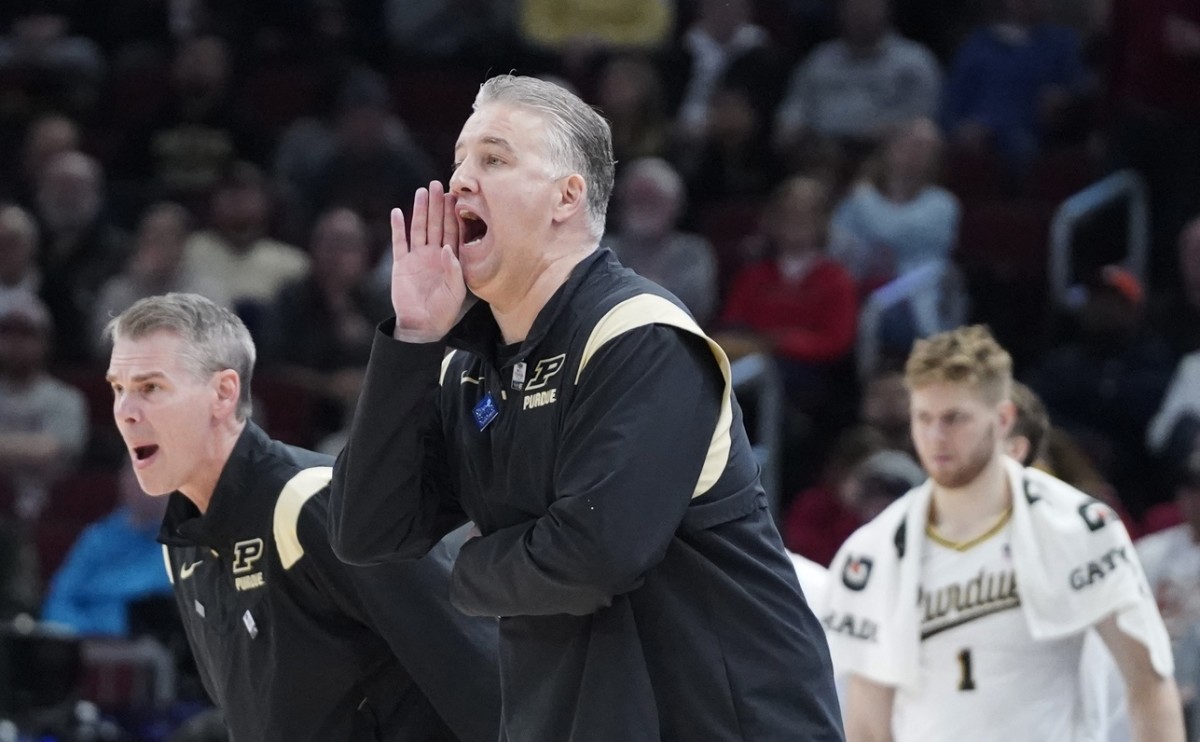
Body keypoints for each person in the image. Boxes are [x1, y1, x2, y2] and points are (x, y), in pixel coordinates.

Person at [328, 74, 843, 741]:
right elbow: (368, 532)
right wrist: (414, 337)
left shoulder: (642, 333)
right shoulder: (468, 368)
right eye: (458, 159)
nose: (459, 181)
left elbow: (597, 555)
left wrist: (468, 568)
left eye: (493, 158)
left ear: (566, 198)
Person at [103, 292, 501, 742]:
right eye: (118, 387)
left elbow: (474, 662)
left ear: (223, 392)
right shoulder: (185, 544)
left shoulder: (311, 500)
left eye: (150, 387)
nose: (125, 412)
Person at [824, 324, 1182, 741]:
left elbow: (1148, 684)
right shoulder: (871, 554)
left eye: (954, 419)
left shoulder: (1078, 527)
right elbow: (867, 725)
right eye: (924, 418)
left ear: (1003, 418)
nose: (936, 437)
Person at [41, 463, 172, 636]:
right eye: (136, 476)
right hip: (86, 644)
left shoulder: (185, 543)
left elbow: (160, 598)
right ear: (123, 481)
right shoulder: (97, 537)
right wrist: (82, 633)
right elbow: (59, 599)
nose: (143, 487)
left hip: (149, 647)